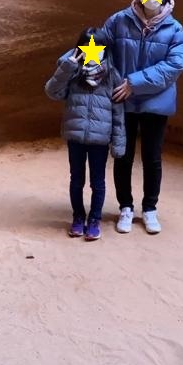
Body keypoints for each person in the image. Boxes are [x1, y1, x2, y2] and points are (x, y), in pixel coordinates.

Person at [94, 0, 183, 235]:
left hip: (154, 103)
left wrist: (134, 83)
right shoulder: (118, 21)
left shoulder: (176, 31)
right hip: (122, 101)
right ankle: (125, 206)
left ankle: (149, 209)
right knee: (122, 155)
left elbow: (174, 66)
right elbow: (99, 49)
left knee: (152, 157)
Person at [44, 26, 126, 241]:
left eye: (97, 48)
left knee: (98, 182)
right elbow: (53, 91)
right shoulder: (73, 72)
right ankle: (78, 217)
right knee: (76, 179)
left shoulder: (111, 76)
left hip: (100, 138)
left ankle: (94, 219)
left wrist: (118, 142)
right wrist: (68, 65)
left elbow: (118, 113)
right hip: (76, 137)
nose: (93, 52)